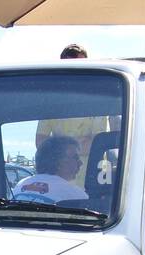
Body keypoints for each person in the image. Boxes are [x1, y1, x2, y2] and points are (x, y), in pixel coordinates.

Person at [37, 43, 107, 184]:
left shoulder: (97, 99)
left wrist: (58, 149)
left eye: (81, 67)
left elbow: (96, 144)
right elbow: (40, 142)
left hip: (92, 179)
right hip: (58, 181)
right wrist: (78, 144)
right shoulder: (51, 101)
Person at [12, 136, 88, 203]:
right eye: (76, 158)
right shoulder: (76, 195)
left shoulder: (21, 184)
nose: (80, 163)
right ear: (58, 161)